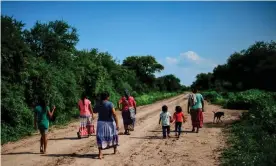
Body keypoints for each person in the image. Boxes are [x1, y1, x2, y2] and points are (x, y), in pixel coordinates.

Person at [94, 91, 119, 159]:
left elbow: (94, 111)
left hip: (101, 123)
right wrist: (117, 123)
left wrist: (97, 103)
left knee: (100, 137)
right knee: (113, 135)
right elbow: (114, 114)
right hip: (110, 123)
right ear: (108, 97)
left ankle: (100, 153)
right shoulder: (110, 104)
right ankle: (115, 150)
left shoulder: (99, 104)